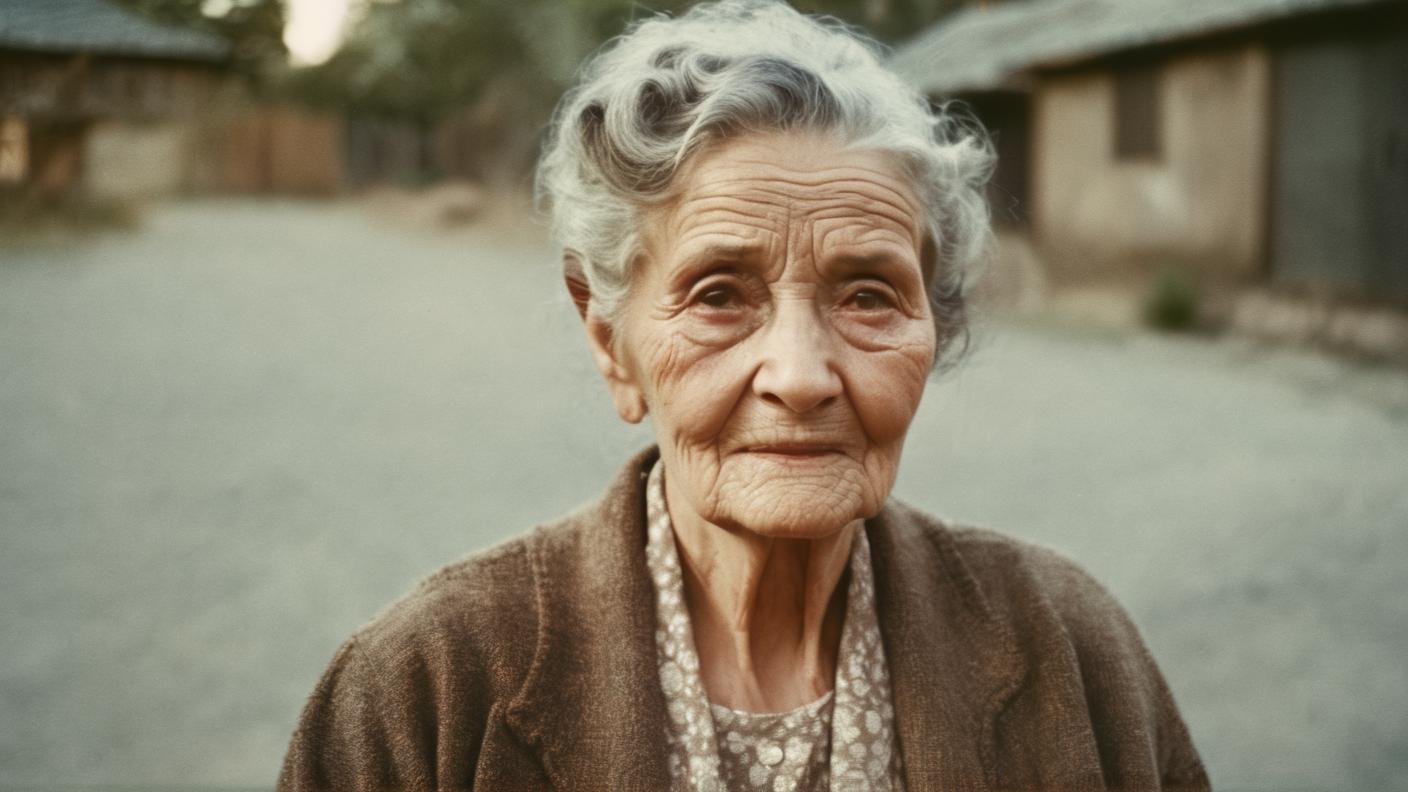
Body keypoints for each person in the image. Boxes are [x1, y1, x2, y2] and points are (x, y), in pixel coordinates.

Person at [277, 2, 1209, 789]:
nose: (801, 377)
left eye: (869, 295)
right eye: (719, 295)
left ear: (937, 324)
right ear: (610, 340)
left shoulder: (1075, 650)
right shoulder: (425, 694)